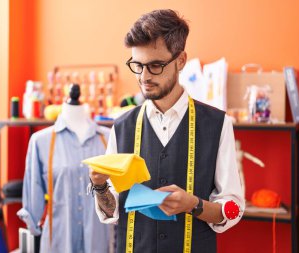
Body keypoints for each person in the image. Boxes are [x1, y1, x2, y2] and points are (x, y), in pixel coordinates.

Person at [89, 9, 245, 253]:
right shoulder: (121, 126)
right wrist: (99, 186)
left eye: (155, 66)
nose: (144, 77)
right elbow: (111, 213)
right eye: (137, 65)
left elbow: (233, 209)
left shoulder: (217, 124)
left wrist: (193, 204)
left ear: (181, 60)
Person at [18, 85, 111, 253]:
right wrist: (33, 221)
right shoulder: (41, 141)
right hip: (60, 240)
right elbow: (34, 190)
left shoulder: (108, 138)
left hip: (99, 240)